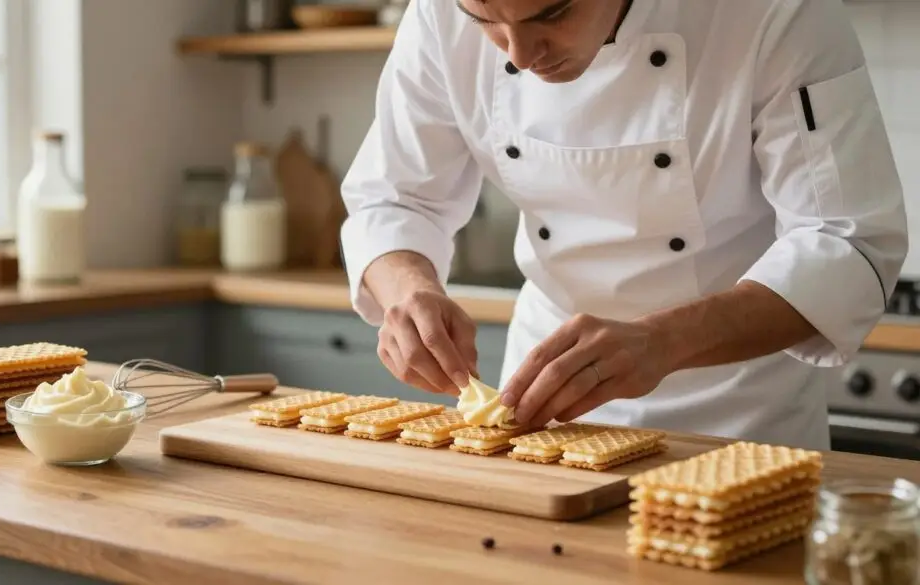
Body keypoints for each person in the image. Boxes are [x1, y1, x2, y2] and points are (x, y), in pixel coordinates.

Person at [338, 0, 908, 450]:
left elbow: (845, 239)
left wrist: (665, 340)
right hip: (540, 406)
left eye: (554, 13)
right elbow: (393, 199)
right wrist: (409, 293)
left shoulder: (772, 11)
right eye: (486, 22)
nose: (519, 54)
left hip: (739, 415)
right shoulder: (439, 15)